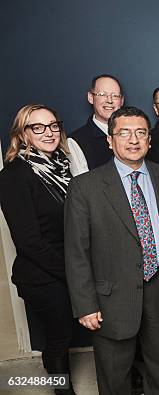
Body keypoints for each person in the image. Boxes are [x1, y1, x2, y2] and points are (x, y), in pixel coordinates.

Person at [65, 107, 159, 395]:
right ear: (109, 140)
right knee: (115, 376)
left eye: (141, 132)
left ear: (150, 140)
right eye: (123, 132)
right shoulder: (85, 187)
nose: (133, 139)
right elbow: (77, 251)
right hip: (111, 295)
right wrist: (85, 305)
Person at [0, 104, 78, 394]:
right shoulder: (14, 176)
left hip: (66, 264)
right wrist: (71, 273)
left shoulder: (61, 165)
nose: (49, 132)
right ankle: (62, 389)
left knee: (63, 336)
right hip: (42, 274)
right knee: (60, 338)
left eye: (53, 125)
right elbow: (29, 241)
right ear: (23, 134)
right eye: (38, 127)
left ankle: (52, 370)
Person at [71, 74, 124, 169]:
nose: (110, 100)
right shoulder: (76, 141)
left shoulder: (134, 135)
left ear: (122, 101)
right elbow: (81, 182)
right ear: (91, 97)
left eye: (115, 96)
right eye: (103, 94)